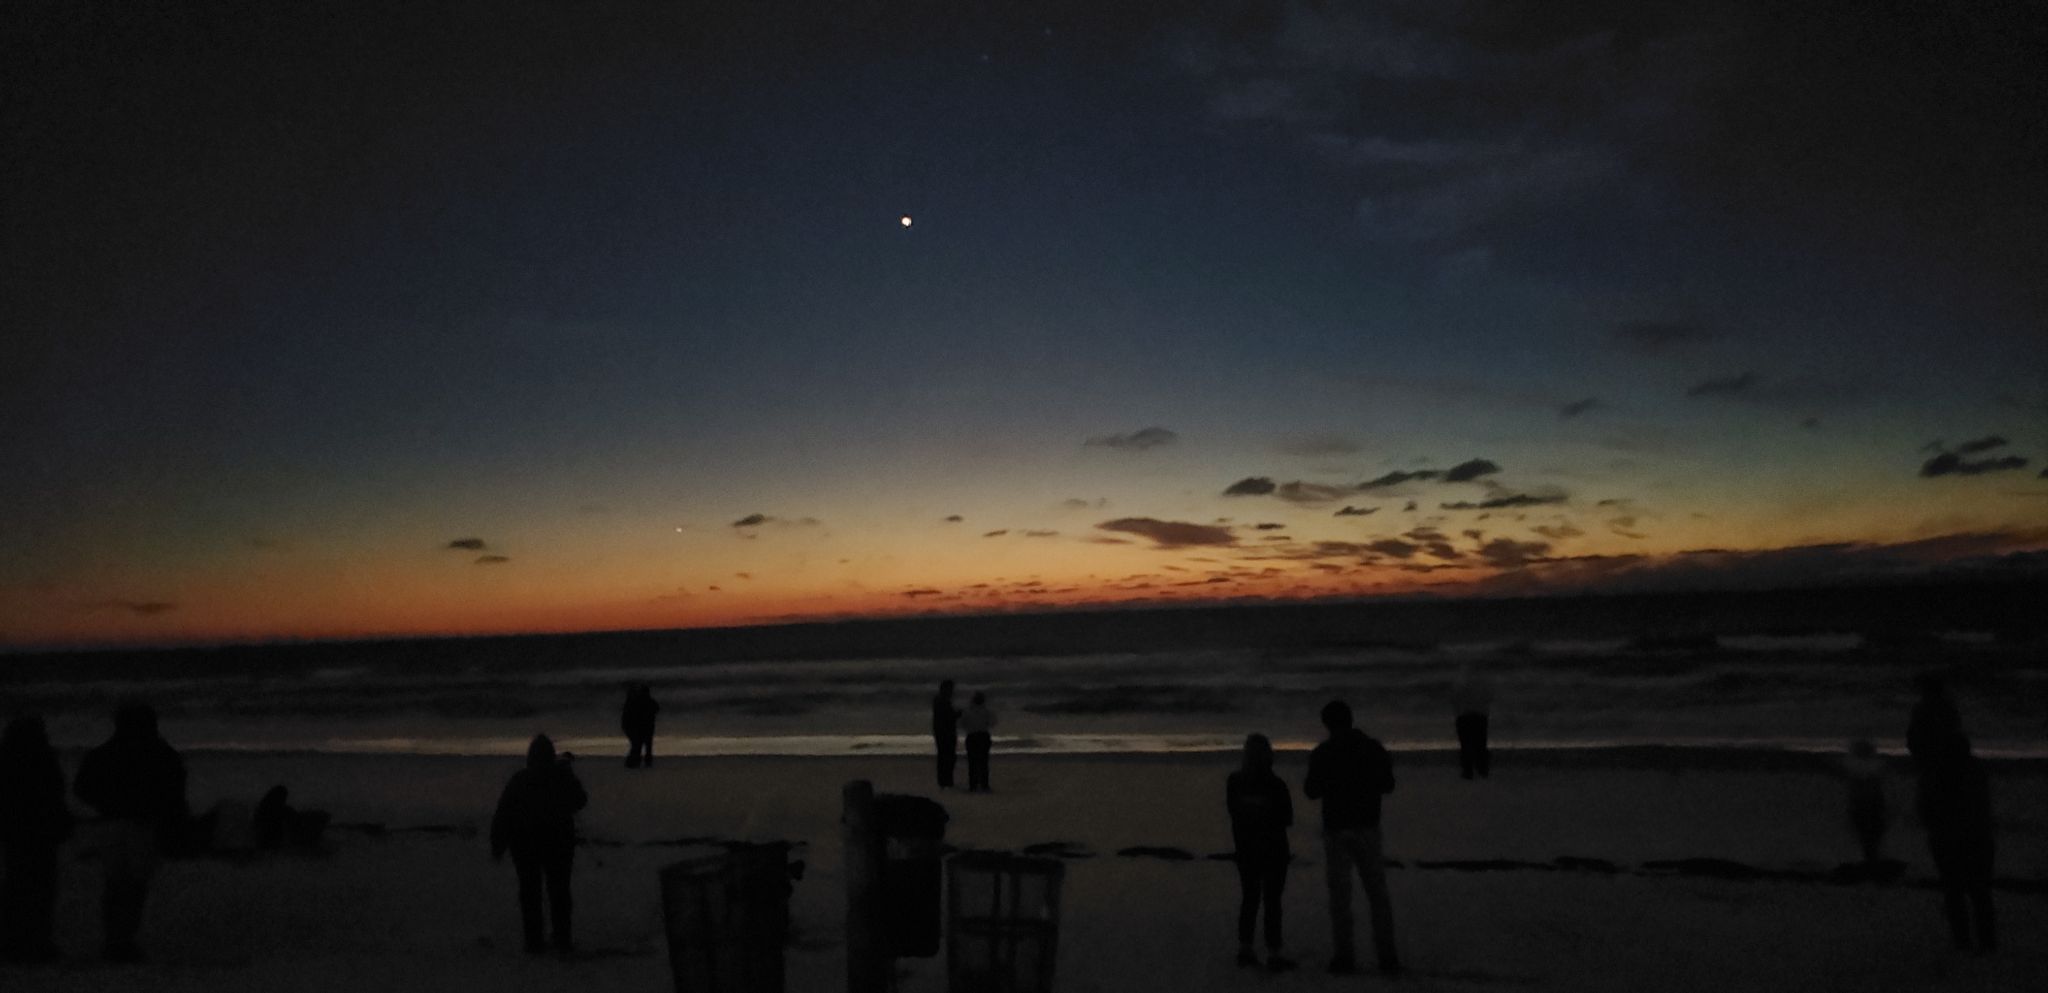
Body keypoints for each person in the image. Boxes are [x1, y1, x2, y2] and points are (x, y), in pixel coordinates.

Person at [73, 702, 187, 963]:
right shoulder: (160, 753)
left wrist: (107, 804)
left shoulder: (102, 754)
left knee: (115, 883)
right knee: (135, 886)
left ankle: (114, 939)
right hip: (143, 825)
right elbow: (174, 790)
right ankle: (123, 940)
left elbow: (82, 787)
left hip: (111, 823)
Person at [1303, 700, 1400, 976]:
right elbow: (1388, 785)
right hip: (1367, 825)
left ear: (1327, 724)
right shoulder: (1372, 748)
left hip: (1337, 828)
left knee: (1340, 898)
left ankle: (1345, 957)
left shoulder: (1323, 752)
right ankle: (1387, 956)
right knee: (1377, 894)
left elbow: (1311, 790)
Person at [491, 735, 589, 955]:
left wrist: (498, 843)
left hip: (525, 845)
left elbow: (503, 813)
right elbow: (580, 800)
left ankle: (534, 941)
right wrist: (567, 775)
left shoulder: (520, 779)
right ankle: (561, 939)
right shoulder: (559, 777)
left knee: (530, 892)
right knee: (559, 892)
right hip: (558, 843)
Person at [1, 717, 73, 964]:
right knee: (41, 888)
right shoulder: (43, 758)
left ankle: (15, 941)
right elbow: (55, 792)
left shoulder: (7, 758)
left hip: (17, 832)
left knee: (17, 885)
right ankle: (37, 941)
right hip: (41, 830)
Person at [1918, 731, 1995, 952]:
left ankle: (1963, 942)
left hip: (1947, 839)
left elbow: (1924, 808)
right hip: (1977, 838)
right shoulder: (1977, 771)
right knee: (1980, 892)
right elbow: (1983, 806)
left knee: (1954, 892)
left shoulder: (1933, 773)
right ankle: (1986, 942)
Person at [1226, 733, 1295, 972]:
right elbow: (1287, 818)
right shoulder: (1276, 785)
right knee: (1272, 901)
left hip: (1246, 848)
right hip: (1274, 849)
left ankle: (1246, 948)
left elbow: (1233, 813)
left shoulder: (1234, 782)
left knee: (1250, 898)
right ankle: (1274, 952)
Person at [1843, 739, 1888, 865]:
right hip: (1868, 808)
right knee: (1870, 840)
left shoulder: (1859, 769)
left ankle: (1870, 861)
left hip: (1867, 808)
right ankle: (1871, 861)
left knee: (1868, 839)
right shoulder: (1875, 768)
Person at [1450, 664, 1494, 780]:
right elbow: (1488, 697)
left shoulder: (1460, 682)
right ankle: (1482, 768)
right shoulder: (1483, 683)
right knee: (1480, 743)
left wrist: (1456, 712)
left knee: (1466, 744)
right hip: (1480, 714)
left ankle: (1468, 770)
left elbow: (1454, 698)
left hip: (1464, 715)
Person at [1906, 673, 1961, 764]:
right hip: (1933, 749)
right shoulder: (1946, 706)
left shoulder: (1923, 708)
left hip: (1935, 749)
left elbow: (1953, 726)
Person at [960, 692, 996, 793]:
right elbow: (993, 723)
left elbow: (962, 724)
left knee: (972, 762)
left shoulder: (967, 711)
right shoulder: (987, 711)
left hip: (972, 737)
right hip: (983, 736)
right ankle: (984, 784)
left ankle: (973, 784)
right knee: (983, 761)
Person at [622, 684, 660, 769]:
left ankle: (635, 762)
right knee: (645, 746)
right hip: (647, 727)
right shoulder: (648, 701)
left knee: (638, 745)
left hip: (640, 727)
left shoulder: (636, 701)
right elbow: (657, 708)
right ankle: (644, 762)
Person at [931, 680, 961, 790]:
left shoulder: (939, 700)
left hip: (941, 732)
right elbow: (949, 716)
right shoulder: (942, 701)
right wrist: (958, 714)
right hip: (946, 732)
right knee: (948, 757)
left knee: (944, 757)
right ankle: (946, 780)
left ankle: (945, 780)